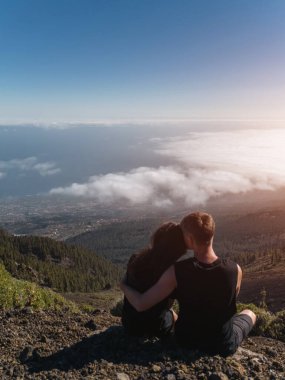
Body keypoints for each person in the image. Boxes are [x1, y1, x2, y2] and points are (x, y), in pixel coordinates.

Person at [121, 212, 256, 355]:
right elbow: (228, 302)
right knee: (250, 313)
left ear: (190, 238)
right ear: (212, 233)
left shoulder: (177, 271)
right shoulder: (236, 269)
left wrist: (123, 285)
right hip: (222, 344)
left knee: (173, 314)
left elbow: (142, 303)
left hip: (186, 340)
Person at [122, 221, 187, 338]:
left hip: (129, 323)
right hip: (156, 327)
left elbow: (128, 284)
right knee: (171, 313)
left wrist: (123, 285)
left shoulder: (135, 259)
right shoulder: (173, 271)